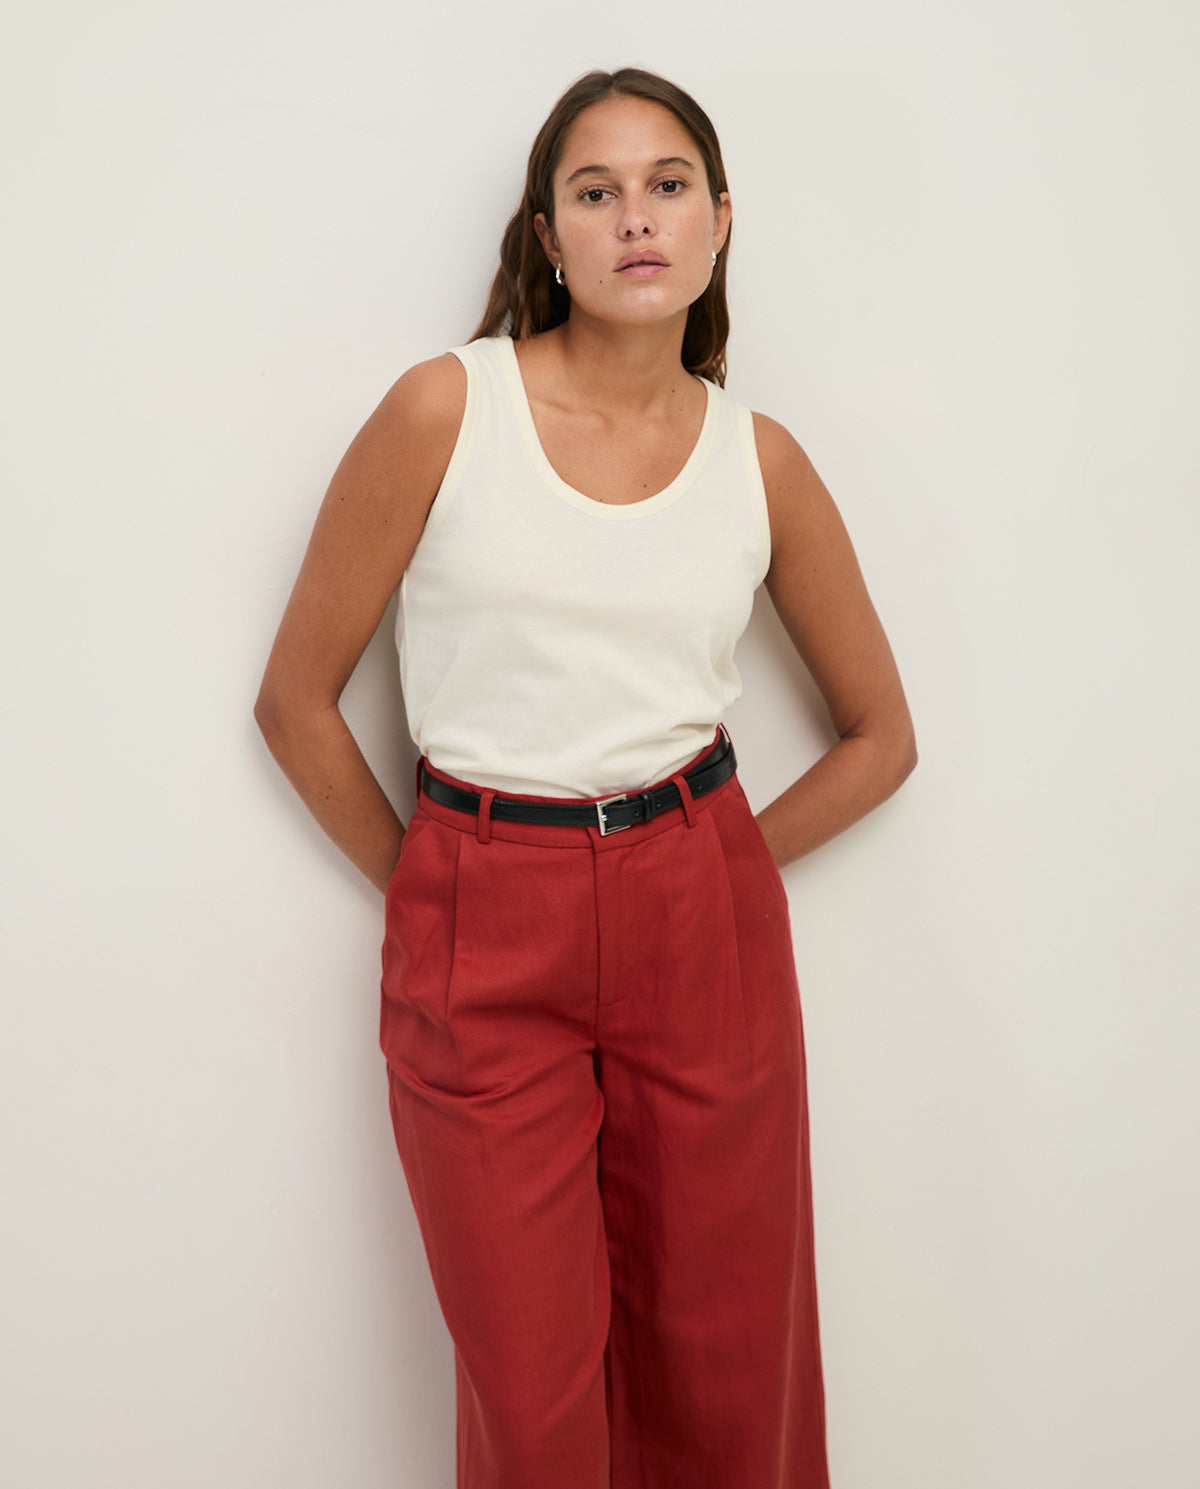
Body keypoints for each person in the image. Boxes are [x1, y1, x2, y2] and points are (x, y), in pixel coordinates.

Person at [255, 66, 915, 1489]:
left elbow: (882, 735)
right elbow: (295, 701)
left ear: (721, 219)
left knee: (728, 1373)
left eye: (668, 185)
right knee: (535, 1406)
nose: (636, 219)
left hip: (700, 919)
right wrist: (437, 884)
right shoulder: (447, 409)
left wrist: (714, 866)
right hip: (485, 916)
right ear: (548, 234)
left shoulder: (759, 460)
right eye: (596, 191)